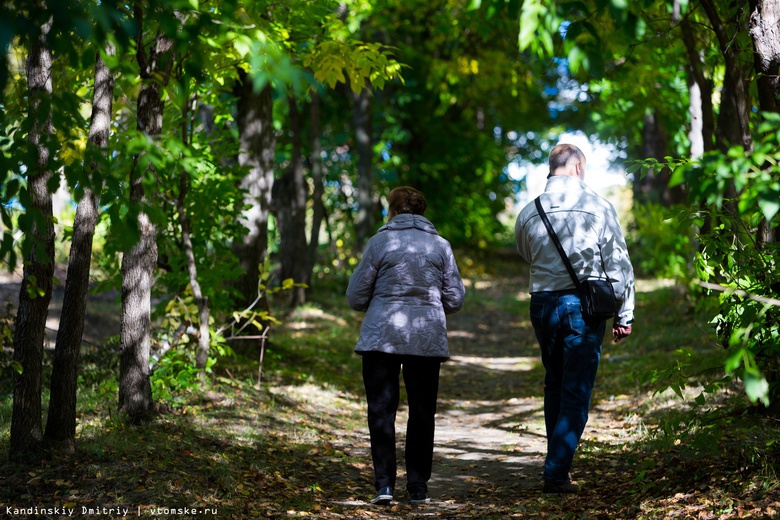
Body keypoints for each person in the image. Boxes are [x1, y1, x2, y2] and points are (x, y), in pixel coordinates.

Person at [514, 144, 635, 494]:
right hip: (584, 307)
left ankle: (558, 464)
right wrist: (624, 313)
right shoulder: (598, 207)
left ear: (552, 168)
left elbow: (527, 253)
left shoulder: (530, 210)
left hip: (542, 303)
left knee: (554, 381)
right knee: (576, 390)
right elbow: (618, 265)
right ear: (578, 167)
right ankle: (555, 472)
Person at [346, 186, 465, 506]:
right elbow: (455, 299)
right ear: (422, 213)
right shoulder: (441, 246)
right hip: (425, 339)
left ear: (393, 211)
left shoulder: (380, 242)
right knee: (423, 412)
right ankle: (418, 487)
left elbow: (356, 297)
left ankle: (384, 485)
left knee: (381, 411)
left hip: (380, 338)